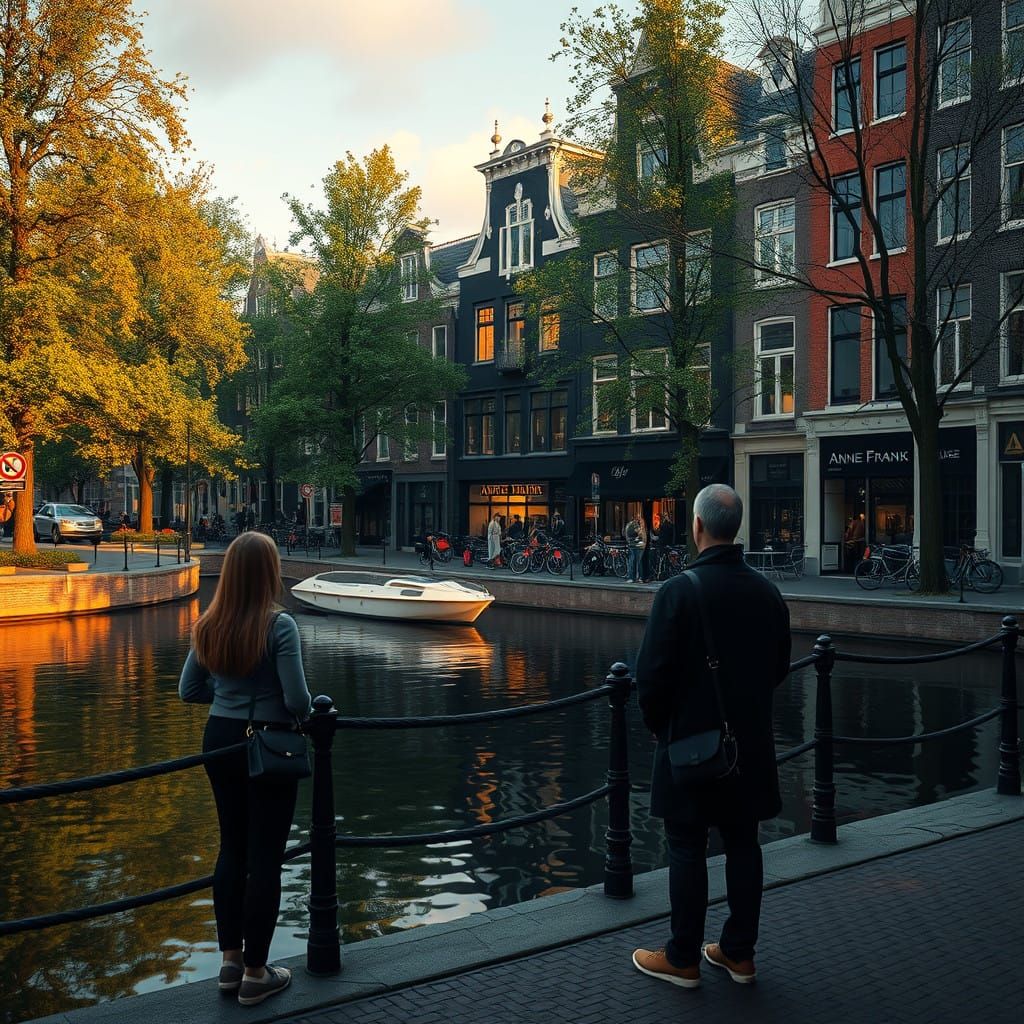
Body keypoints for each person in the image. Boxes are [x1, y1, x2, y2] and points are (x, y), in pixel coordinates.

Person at [632, 484, 791, 990]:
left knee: (686, 844)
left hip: (692, 746)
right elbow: (780, 667)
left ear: (697, 526)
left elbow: (651, 677)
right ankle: (739, 953)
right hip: (751, 746)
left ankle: (683, 957)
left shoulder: (678, 591)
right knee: (745, 842)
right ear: (736, 528)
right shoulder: (768, 592)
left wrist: (663, 727)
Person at [178, 532, 312, 1006]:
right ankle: (258, 973)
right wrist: (276, 707)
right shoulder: (279, 626)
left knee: (231, 848)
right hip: (267, 745)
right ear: (269, 572)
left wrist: (230, 702)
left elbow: (188, 690)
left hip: (219, 742)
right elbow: (298, 700)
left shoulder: (209, 623)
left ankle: (230, 965)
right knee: (266, 857)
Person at [625, 514, 646, 583]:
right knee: (638, 562)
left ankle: (633, 577)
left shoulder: (631, 525)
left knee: (633, 561)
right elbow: (641, 534)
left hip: (635, 545)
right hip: (638, 545)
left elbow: (626, 534)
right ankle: (639, 577)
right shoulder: (635, 525)